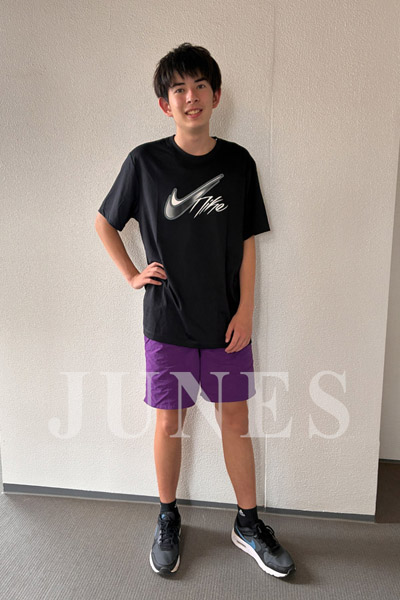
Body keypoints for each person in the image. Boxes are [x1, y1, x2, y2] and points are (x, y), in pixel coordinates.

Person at [95, 42, 296, 579]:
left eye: (200, 86)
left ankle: (248, 523)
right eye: (179, 89)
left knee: (236, 422)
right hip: (168, 323)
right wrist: (132, 274)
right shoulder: (145, 163)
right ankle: (167, 517)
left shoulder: (238, 163)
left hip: (228, 324)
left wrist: (246, 310)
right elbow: (104, 223)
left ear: (216, 95)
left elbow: (248, 243)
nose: (191, 97)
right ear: (166, 103)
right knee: (169, 422)